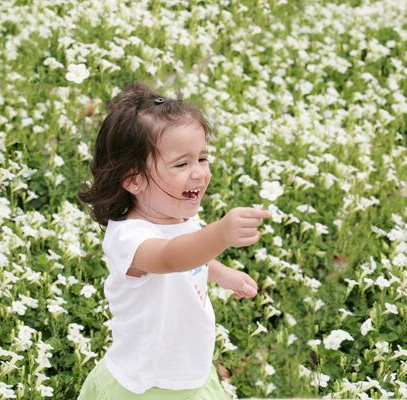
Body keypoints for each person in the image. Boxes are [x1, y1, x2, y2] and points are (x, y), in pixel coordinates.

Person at [76, 81, 271, 399]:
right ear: (133, 179)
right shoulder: (130, 238)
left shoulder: (182, 218)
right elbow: (170, 257)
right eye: (182, 164)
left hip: (190, 368)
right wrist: (220, 233)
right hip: (147, 383)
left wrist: (222, 274)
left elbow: (193, 257)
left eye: (202, 159)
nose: (199, 173)